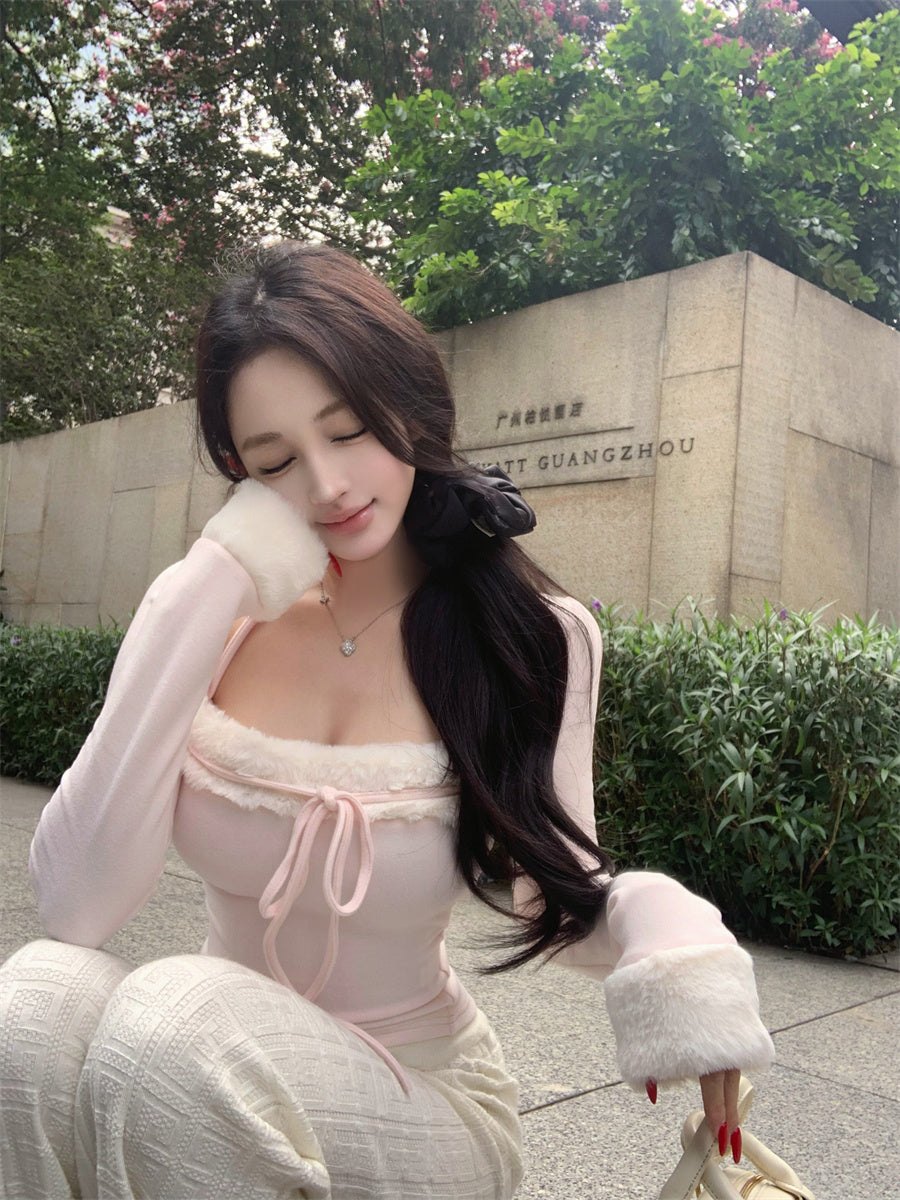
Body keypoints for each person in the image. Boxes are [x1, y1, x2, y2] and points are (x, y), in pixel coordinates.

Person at [0, 241, 774, 1200]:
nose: (326, 487)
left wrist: (674, 932)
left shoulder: (531, 634)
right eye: (278, 460)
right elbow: (76, 908)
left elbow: (559, 905)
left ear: (409, 404)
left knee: (172, 1026)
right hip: (203, 1056)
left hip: (422, 1098)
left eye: (351, 429)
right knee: (34, 1003)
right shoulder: (219, 617)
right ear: (239, 473)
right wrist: (203, 585)